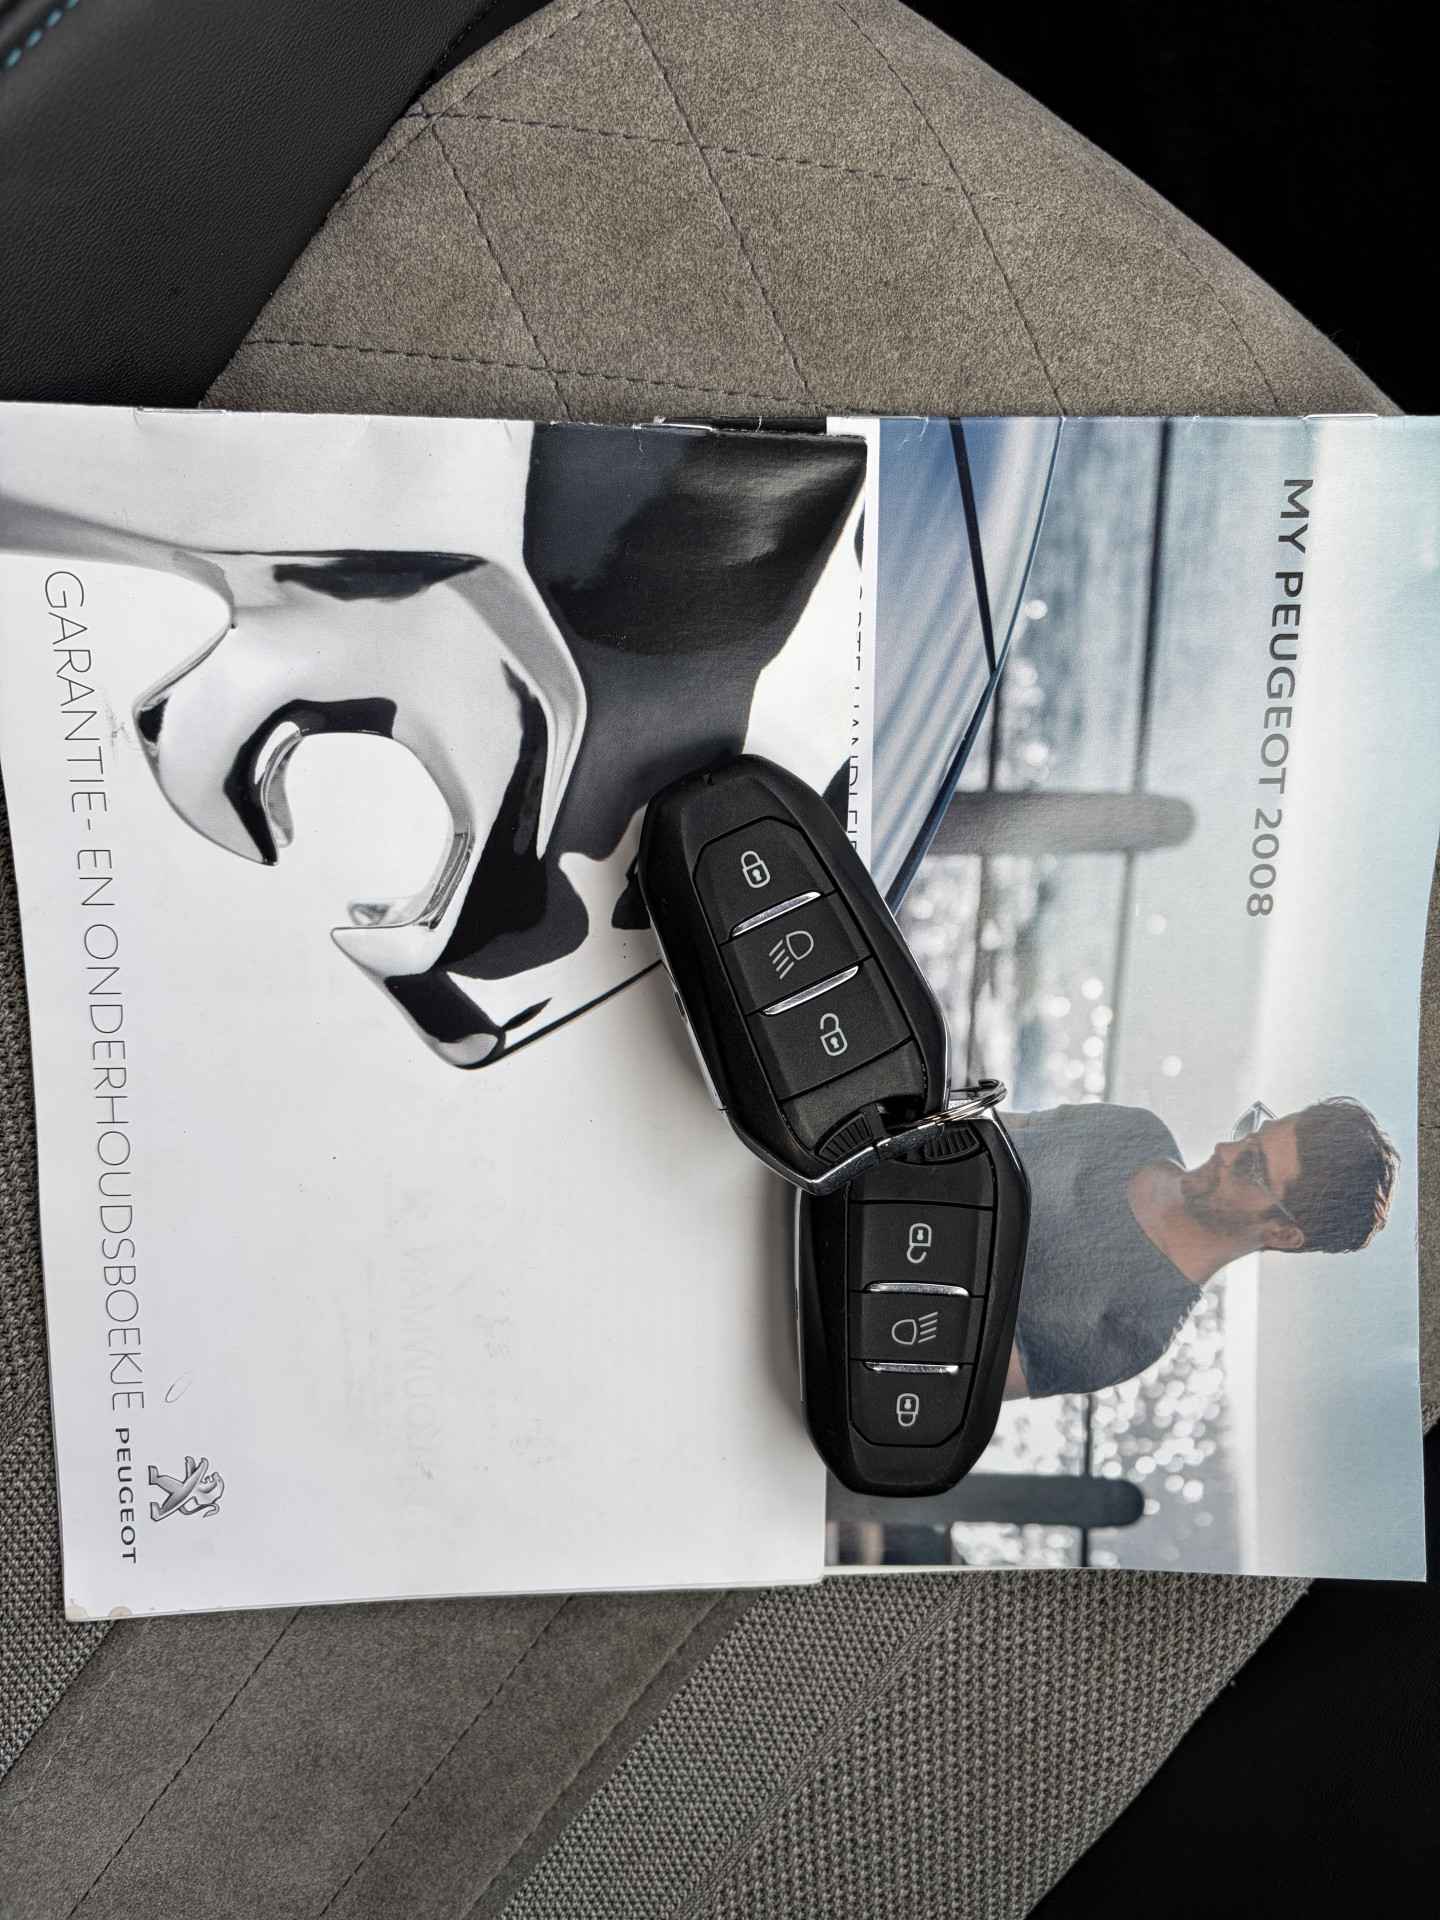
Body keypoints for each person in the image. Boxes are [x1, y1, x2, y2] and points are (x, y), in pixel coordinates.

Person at [1003, 1096, 1399, 1399]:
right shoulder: (1135, 1130)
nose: (1225, 1151)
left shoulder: (1132, 1333)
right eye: (1249, 1134)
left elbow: (969, 1376)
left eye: (1251, 1166)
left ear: (1282, 1234)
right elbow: (983, 1122)